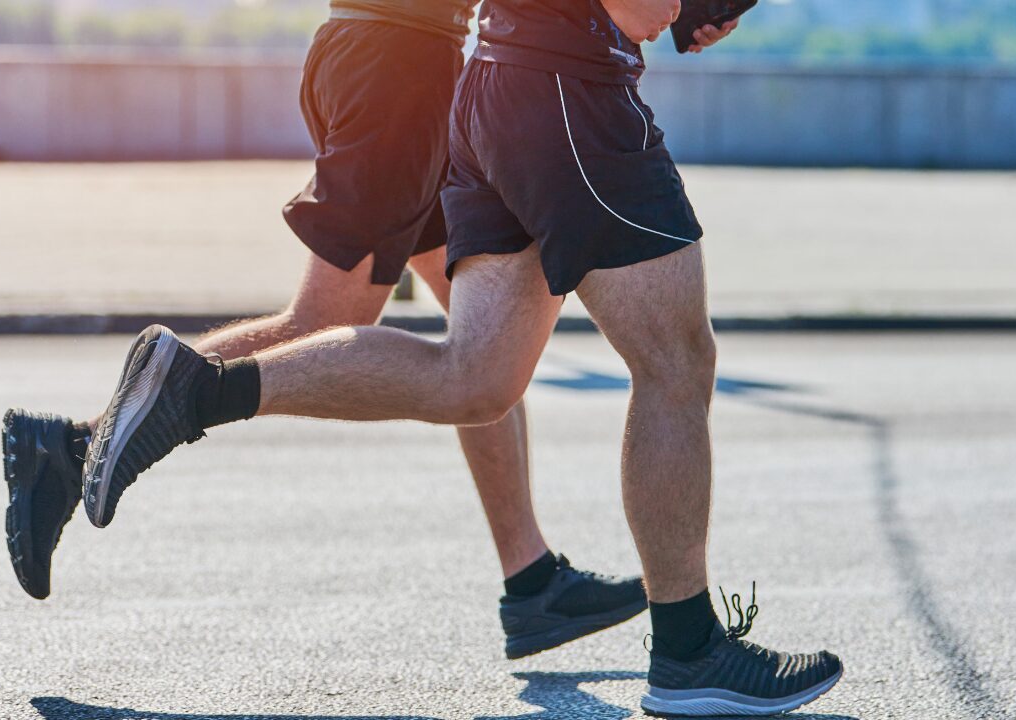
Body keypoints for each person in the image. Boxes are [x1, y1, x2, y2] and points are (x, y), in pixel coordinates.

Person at [71, 0, 847, 715]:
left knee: (475, 380)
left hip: (496, 83)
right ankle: (688, 651)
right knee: (676, 362)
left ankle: (197, 390)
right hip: (567, 92)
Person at [0, 0, 655, 663]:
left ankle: (532, 577)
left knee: (483, 338)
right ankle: (73, 446)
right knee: (326, 323)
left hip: (378, 52)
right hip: (401, 71)